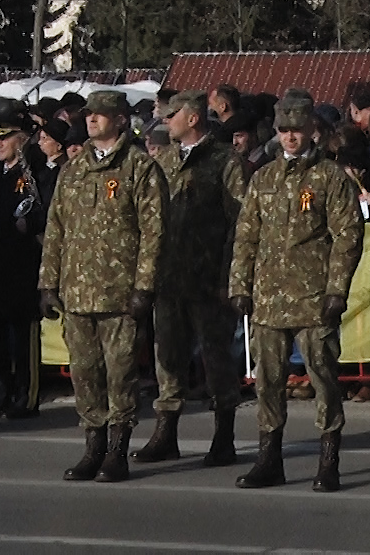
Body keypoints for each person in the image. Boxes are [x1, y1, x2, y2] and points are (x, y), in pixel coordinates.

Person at [227, 99, 363, 492]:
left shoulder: (329, 177)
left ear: (311, 131)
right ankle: (269, 458)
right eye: (283, 129)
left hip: (313, 297)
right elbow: (246, 236)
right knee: (268, 381)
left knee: (323, 377)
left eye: (297, 129)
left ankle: (329, 459)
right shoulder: (263, 178)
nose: (290, 136)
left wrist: (337, 289)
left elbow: (347, 236)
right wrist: (240, 285)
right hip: (269, 298)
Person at [40, 89, 165, 484]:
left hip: (120, 294)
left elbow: (154, 232)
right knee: (85, 373)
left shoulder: (139, 167)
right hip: (78, 293)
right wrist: (48, 281)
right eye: (90, 114)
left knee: (120, 374)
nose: (92, 120)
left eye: (101, 114)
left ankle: (117, 450)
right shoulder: (73, 170)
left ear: (121, 120)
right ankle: (92, 448)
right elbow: (55, 227)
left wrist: (144, 286)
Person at [134, 89, 245, 468]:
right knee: (168, 358)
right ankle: (166, 434)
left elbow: (239, 224)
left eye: (171, 115)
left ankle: (224, 436)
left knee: (216, 359)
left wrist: (230, 275)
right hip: (169, 277)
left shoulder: (224, 162)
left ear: (193, 117)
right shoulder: (162, 161)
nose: (166, 121)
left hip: (209, 278)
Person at [0, 102, 51, 420]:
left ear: (23, 137)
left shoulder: (34, 174)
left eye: (5, 137)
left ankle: (25, 395)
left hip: (20, 260)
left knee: (21, 330)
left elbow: (44, 215)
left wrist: (27, 226)